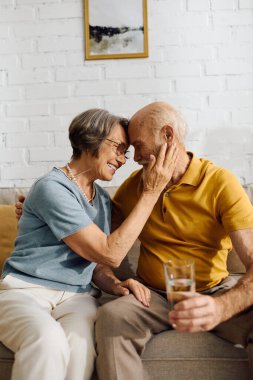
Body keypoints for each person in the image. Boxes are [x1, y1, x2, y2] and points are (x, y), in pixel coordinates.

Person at [0, 108, 178, 380]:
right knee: (48, 341)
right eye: (119, 148)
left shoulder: (104, 202)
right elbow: (110, 253)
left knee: (81, 349)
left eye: (126, 152)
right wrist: (152, 189)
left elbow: (97, 266)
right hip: (26, 291)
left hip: (77, 297)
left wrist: (116, 285)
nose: (122, 160)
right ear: (90, 139)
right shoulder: (52, 187)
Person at [93, 102, 253, 380]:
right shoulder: (133, 188)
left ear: (168, 136)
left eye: (139, 146)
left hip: (213, 292)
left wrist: (220, 308)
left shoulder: (219, 183)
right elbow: (100, 246)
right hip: (152, 297)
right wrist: (39, 208)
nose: (135, 156)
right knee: (112, 317)